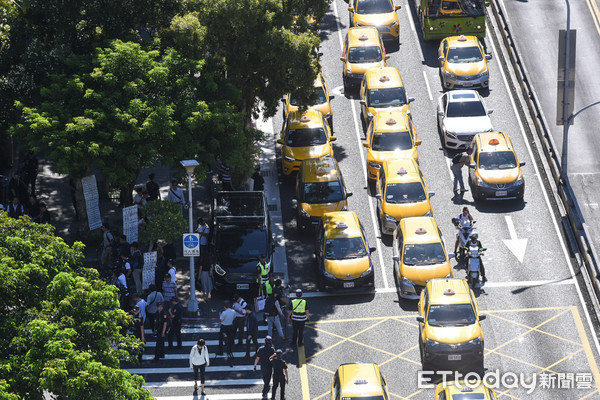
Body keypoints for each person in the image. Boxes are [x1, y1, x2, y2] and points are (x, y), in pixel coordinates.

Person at [254, 336, 275, 400]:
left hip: (262, 366)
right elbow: (275, 357)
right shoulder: (272, 349)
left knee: (265, 378)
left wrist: (255, 366)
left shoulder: (260, 349)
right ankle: (264, 392)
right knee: (267, 380)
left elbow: (257, 358)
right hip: (269, 367)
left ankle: (266, 387)